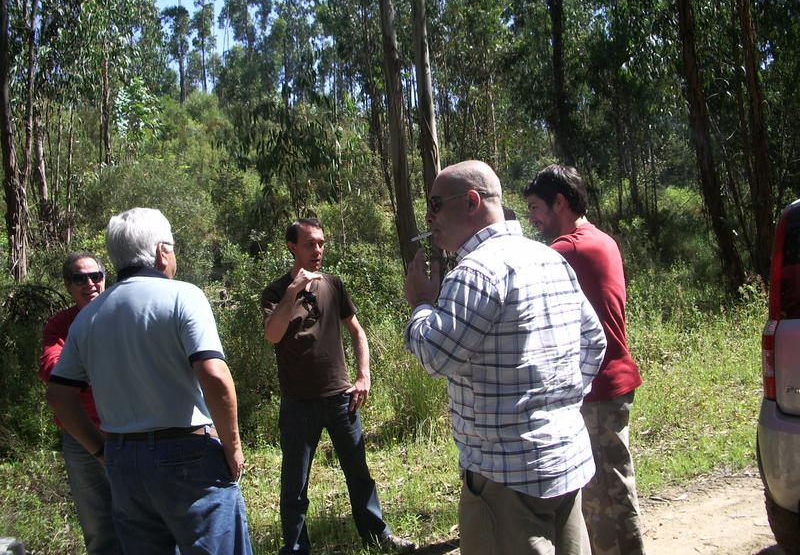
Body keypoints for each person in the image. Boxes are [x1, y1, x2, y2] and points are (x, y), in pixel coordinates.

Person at [403, 160, 607, 555]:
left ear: (471, 202)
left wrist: (422, 303)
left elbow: (434, 356)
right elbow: (594, 342)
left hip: (505, 478)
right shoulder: (550, 258)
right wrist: (557, 407)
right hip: (565, 461)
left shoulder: (475, 271)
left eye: (434, 205)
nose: (429, 217)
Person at [46, 207, 252, 555]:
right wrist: (232, 448)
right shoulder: (183, 295)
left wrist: (100, 450)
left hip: (124, 459)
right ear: (161, 252)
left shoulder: (89, 317)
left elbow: (59, 395)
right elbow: (214, 375)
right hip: (188, 454)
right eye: (171, 247)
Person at [262, 218, 415, 555]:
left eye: (320, 243)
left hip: (340, 398)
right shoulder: (275, 292)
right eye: (309, 244)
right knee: (294, 484)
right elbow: (273, 334)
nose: (317, 250)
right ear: (292, 247)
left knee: (359, 473)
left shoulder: (333, 284)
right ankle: (296, 547)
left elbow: (357, 331)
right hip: (298, 403)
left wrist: (364, 376)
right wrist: (293, 293)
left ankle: (378, 536)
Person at [524, 164, 645, 555]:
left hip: (597, 390)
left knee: (606, 498)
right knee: (604, 493)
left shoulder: (567, 249)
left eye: (536, 208)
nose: (533, 219)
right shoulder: (600, 238)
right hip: (606, 386)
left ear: (560, 202)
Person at [39, 253, 122, 555]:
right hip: (81, 435)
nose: (89, 283)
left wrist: (80, 373)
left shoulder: (121, 314)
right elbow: (52, 369)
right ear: (68, 285)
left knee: (148, 517)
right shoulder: (60, 324)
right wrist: (104, 370)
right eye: (79, 278)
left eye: (95, 276)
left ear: (105, 278)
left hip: (130, 429)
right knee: (99, 525)